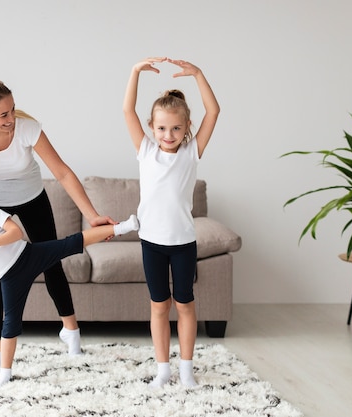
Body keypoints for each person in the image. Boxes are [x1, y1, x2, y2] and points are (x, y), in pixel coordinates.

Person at [0, 80, 116, 370]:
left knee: (51, 261)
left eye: (12, 109)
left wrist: (91, 215)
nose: (11, 118)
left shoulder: (27, 128)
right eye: (3, 115)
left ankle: (72, 332)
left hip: (31, 198)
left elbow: (62, 172)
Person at [0, 169, 139, 387]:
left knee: (70, 243)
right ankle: (4, 374)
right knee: (10, 323)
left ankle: (123, 227)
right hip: (8, 277)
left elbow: (16, 233)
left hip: (28, 256)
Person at [122, 57, 220, 388]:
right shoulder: (145, 151)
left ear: (187, 128)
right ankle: (163, 370)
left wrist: (199, 74)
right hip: (151, 242)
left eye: (176, 128)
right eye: (162, 128)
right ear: (152, 127)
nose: (169, 134)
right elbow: (127, 111)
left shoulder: (192, 152)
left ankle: (187, 370)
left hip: (182, 243)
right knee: (159, 306)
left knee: (185, 304)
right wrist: (135, 72)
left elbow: (214, 112)